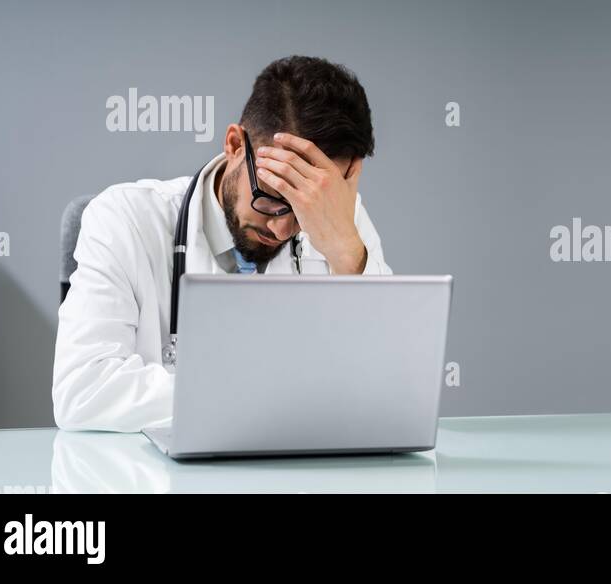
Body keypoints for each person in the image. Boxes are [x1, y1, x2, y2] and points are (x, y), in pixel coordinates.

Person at [53, 56, 391, 432]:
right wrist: (262, 395)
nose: (282, 230)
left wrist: (347, 255)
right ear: (234, 144)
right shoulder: (126, 219)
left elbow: (390, 387)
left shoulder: (339, 222)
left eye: (302, 214)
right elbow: (82, 390)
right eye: (273, 200)